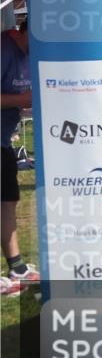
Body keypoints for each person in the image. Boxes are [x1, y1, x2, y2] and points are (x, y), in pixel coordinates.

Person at [0, 20, 38, 297]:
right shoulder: (3, 50)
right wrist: (22, 98)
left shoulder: (27, 54)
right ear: (26, 32)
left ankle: (17, 267)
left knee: (8, 200)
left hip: (3, 140)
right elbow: (18, 97)